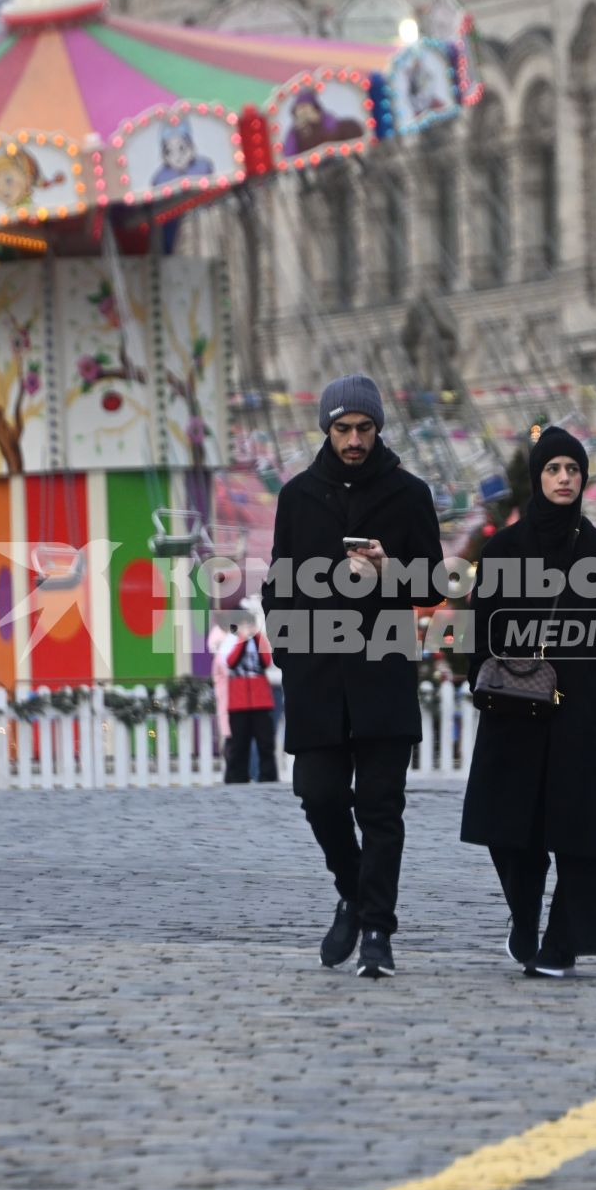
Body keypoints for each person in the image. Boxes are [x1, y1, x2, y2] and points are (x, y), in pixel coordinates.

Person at [261, 374, 445, 979]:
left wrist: (390, 569)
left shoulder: (409, 494)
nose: (354, 440)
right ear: (327, 431)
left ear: (378, 429)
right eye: (343, 429)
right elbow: (277, 587)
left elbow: (433, 586)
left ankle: (378, 934)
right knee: (318, 797)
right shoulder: (298, 496)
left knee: (381, 807)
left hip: (383, 675)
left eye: (364, 428)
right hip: (316, 679)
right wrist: (288, 653)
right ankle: (353, 892)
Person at [461, 427, 596, 977]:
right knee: (506, 826)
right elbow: (480, 627)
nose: (564, 479)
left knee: (576, 832)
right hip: (512, 707)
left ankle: (563, 943)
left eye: (573, 470)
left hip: (576, 713)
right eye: (554, 470)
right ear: (538, 477)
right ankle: (523, 913)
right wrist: (485, 681)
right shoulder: (504, 549)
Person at [218, 606, 277, 784]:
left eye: (249, 623)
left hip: (261, 700)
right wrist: (242, 641)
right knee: (239, 744)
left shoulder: (260, 640)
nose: (247, 627)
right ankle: (238, 778)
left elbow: (266, 661)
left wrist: (256, 637)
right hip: (239, 702)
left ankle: (268, 777)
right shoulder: (230, 641)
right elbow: (230, 662)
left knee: (265, 743)